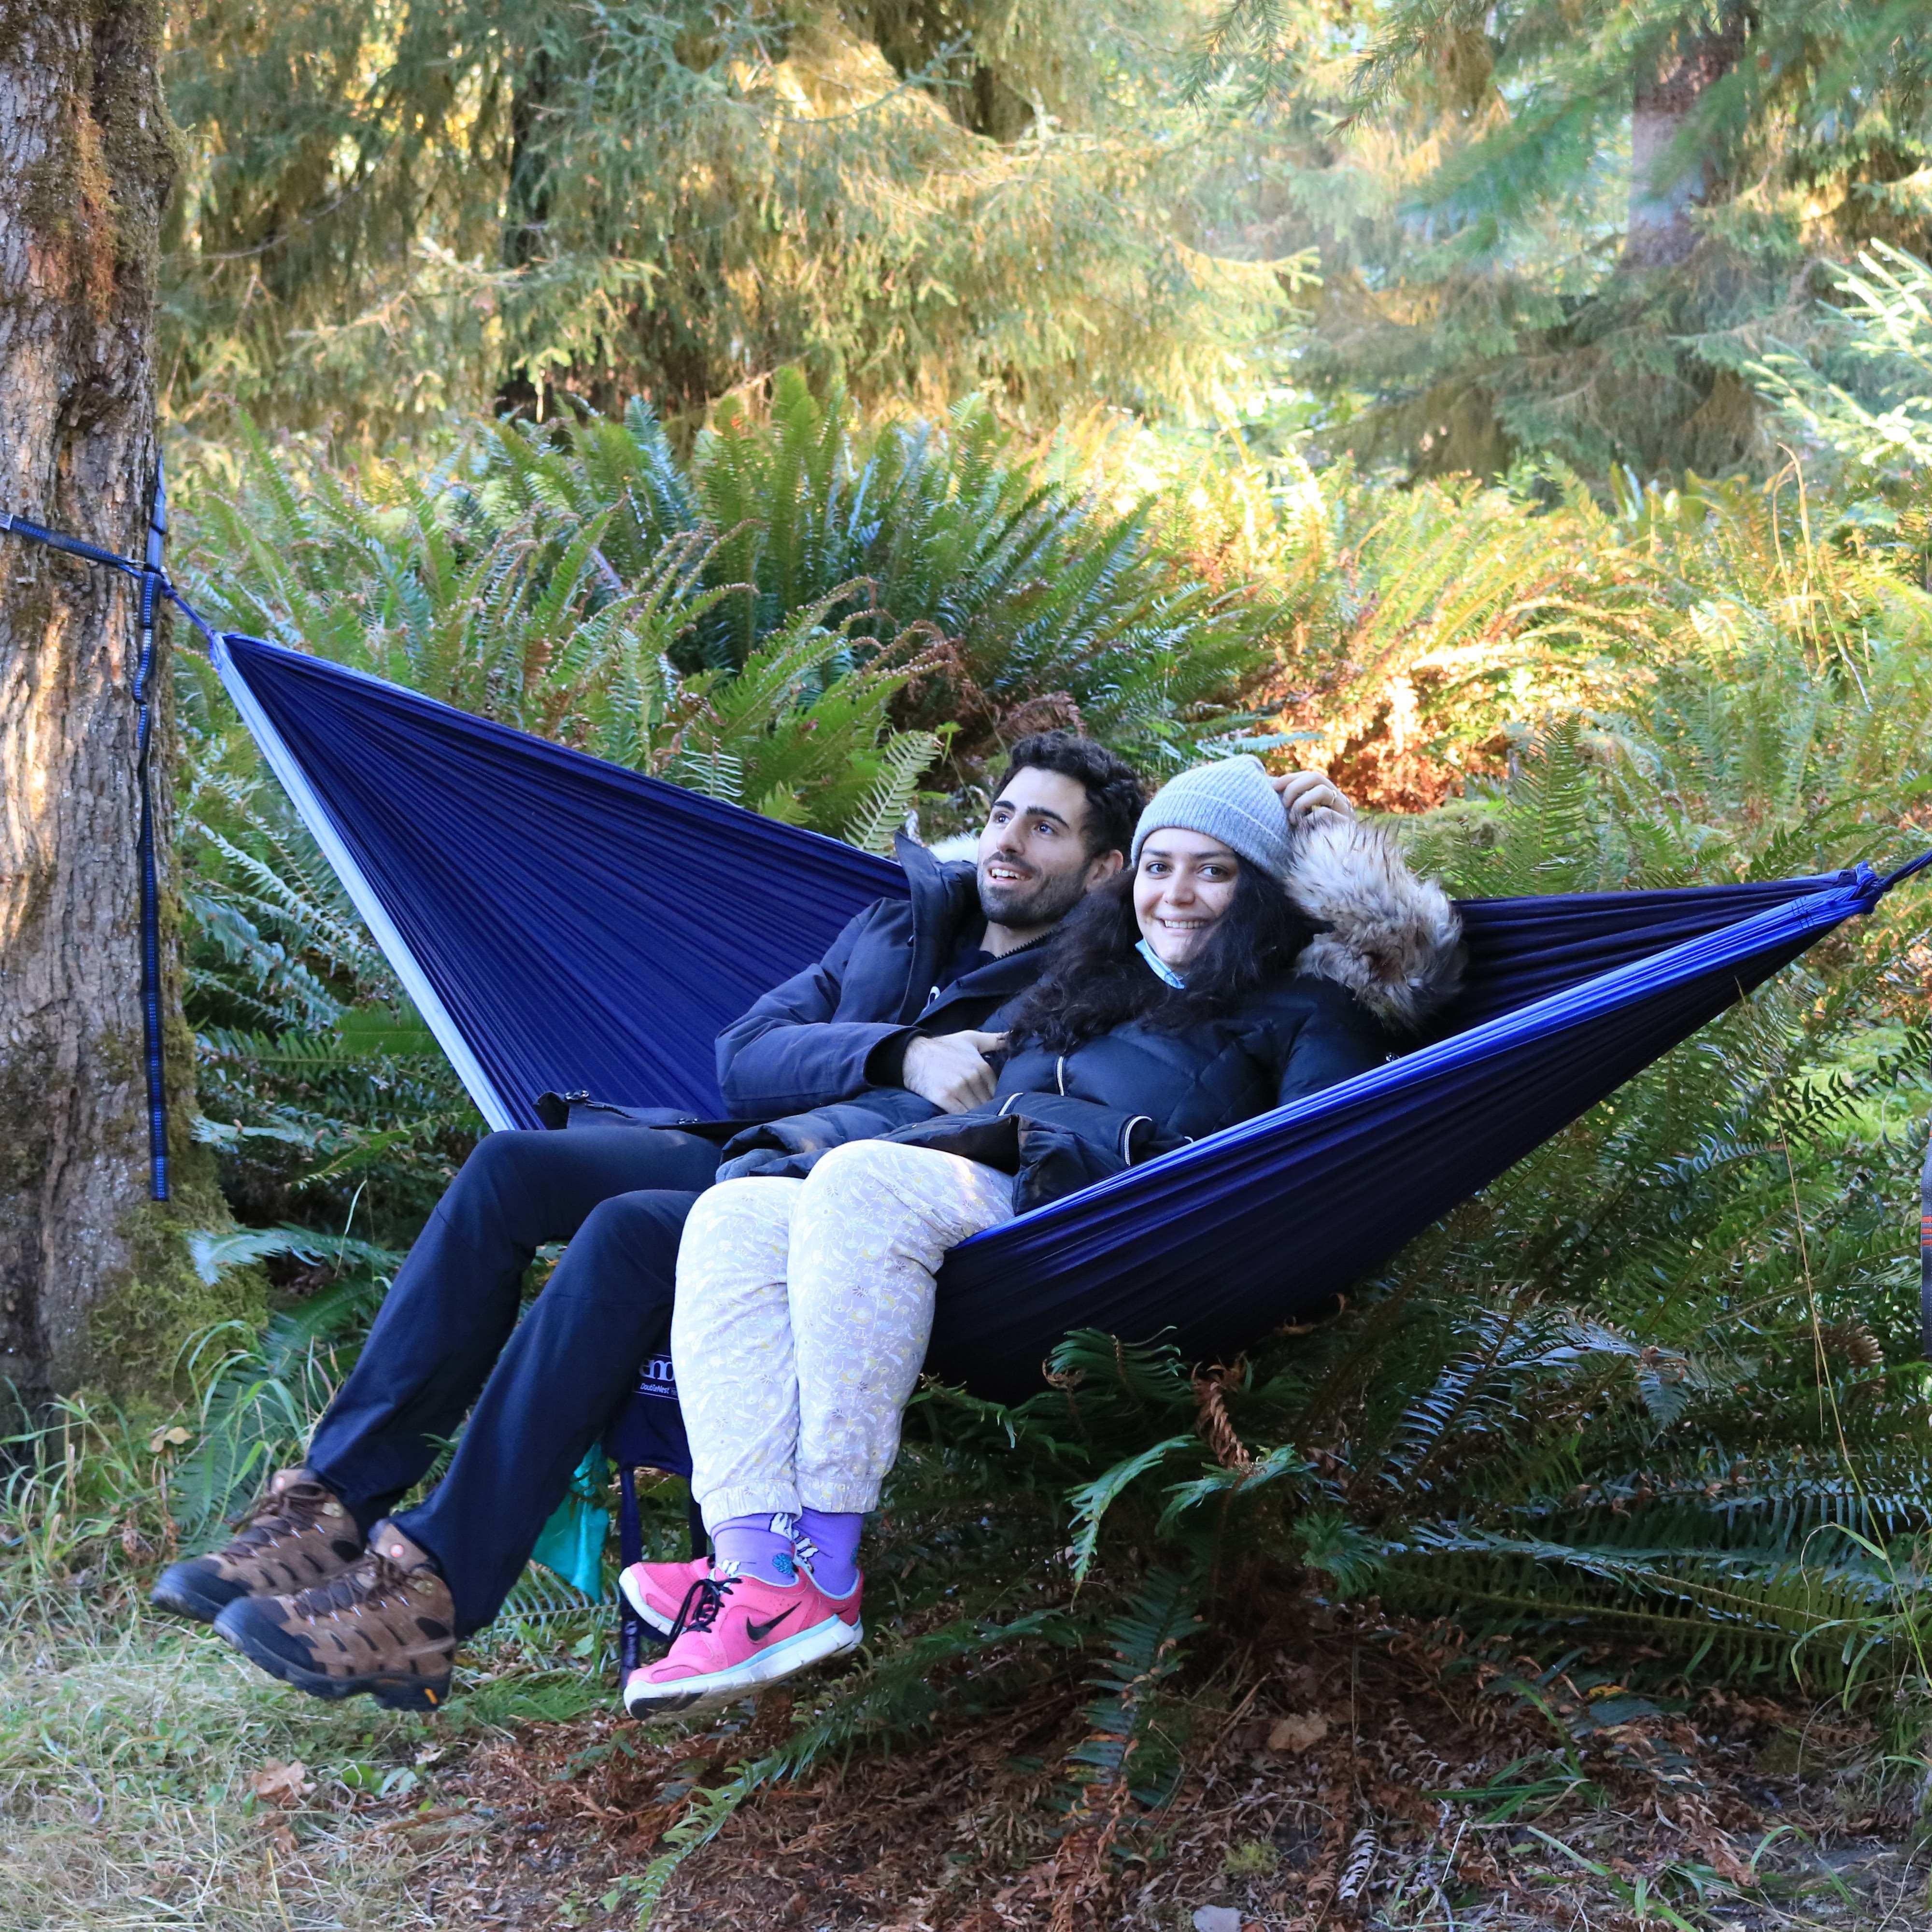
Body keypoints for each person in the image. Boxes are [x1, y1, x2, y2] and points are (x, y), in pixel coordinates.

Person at [152, 732, 1350, 1711]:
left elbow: (1244, 1033)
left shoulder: (1082, 980)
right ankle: (324, 1509)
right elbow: (745, 1056)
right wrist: (899, 1046)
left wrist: (1332, 849)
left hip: (850, 1179)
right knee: (516, 1164)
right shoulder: (903, 920)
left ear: (1099, 867)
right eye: (1000, 812)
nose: (1008, 839)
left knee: (629, 1230)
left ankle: (429, 1588)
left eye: (1048, 825)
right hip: (757, 1144)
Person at [621, 754, 1463, 1719]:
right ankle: (756, 1560)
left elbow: (1313, 1164)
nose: (1175, 893)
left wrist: (1350, 864)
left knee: (857, 1181)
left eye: (1212, 869)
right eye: (1157, 865)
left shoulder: (1307, 1006)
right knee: (733, 1210)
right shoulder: (1089, 982)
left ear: (1264, 890)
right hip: (1002, 1200)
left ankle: (824, 1561)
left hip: (1122, 1228)